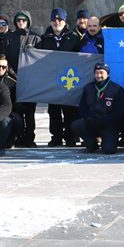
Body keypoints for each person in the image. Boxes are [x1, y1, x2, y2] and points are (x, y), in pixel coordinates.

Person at [40, 8, 81, 146]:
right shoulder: (45, 38)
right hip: (53, 80)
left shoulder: (73, 38)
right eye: (54, 20)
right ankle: (56, 136)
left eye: (60, 20)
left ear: (65, 21)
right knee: (54, 110)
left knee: (70, 110)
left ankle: (70, 137)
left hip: (69, 80)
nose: (57, 22)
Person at [3, 10, 40, 147]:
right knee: (16, 110)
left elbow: (41, 60)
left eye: (24, 20)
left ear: (28, 21)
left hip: (30, 80)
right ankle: (17, 136)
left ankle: (29, 137)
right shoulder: (9, 37)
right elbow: (5, 57)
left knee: (30, 112)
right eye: (18, 20)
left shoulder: (36, 38)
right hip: (13, 80)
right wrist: (14, 74)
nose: (21, 22)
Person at [72, 62, 124, 154]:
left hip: (108, 124)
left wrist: (105, 120)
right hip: (92, 121)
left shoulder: (116, 89)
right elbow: (82, 106)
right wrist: (88, 118)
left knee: (109, 150)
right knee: (76, 125)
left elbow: (119, 111)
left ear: (107, 74)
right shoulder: (88, 88)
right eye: (96, 73)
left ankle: (107, 141)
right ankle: (92, 144)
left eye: (101, 73)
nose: (98, 75)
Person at [0, 55, 23, 147]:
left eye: (3, 67)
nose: (0, 69)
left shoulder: (13, 83)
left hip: (7, 114)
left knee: (14, 119)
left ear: (7, 68)